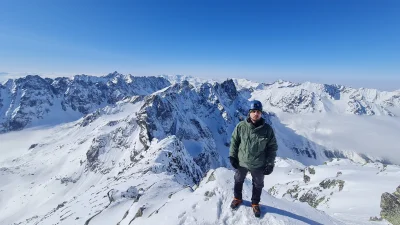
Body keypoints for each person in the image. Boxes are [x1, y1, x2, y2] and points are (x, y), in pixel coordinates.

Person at [229, 100, 278, 217]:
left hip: (258, 163)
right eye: (254, 111)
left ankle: (255, 203)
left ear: (261, 114)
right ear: (249, 113)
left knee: (258, 184)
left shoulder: (267, 130)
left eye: (259, 112)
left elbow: (272, 148)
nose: (256, 114)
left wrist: (270, 163)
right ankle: (237, 198)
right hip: (242, 161)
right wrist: (232, 156)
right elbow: (234, 142)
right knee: (238, 179)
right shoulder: (241, 127)